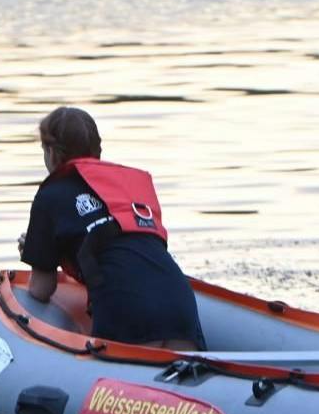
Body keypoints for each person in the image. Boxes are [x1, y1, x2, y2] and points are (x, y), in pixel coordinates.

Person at [18, 107, 205, 350]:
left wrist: (36, 255)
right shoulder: (126, 189)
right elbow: (122, 254)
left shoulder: (51, 194)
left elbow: (41, 289)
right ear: (98, 151)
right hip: (180, 305)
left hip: (127, 312)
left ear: (50, 152)